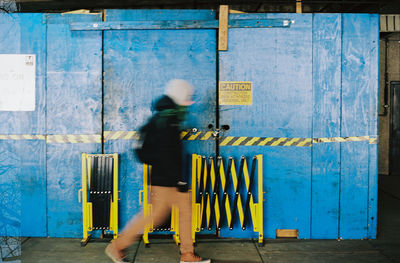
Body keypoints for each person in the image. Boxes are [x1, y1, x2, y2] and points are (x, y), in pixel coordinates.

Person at [105, 79, 211, 263]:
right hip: (168, 181)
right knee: (155, 217)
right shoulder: (168, 120)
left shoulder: (162, 117)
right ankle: (117, 246)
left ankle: (187, 254)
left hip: (164, 178)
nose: (190, 103)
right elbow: (168, 154)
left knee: (181, 212)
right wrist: (178, 179)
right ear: (179, 98)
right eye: (187, 99)